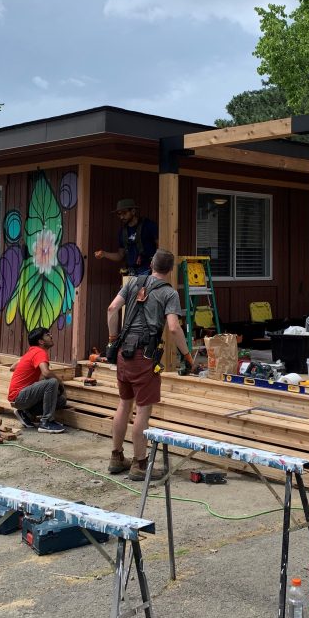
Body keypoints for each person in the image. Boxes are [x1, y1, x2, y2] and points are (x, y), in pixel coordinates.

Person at [106, 248, 194, 480]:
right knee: (142, 412)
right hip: (145, 357)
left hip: (124, 354)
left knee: (124, 404)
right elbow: (174, 328)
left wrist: (113, 339)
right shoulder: (169, 293)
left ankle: (116, 457)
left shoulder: (134, 282)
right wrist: (187, 356)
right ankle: (140, 465)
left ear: (152, 264)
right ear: (171, 269)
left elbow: (112, 308)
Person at [8, 327, 67, 434]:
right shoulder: (40, 352)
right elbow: (46, 372)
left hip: (19, 398)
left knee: (61, 401)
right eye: (48, 335)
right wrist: (60, 382)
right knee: (52, 382)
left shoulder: (31, 353)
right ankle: (46, 422)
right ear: (41, 341)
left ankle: (26, 413)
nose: (51, 336)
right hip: (20, 396)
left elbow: (12, 367)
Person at [94, 198, 158, 278]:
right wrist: (104, 254)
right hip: (131, 273)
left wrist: (155, 264)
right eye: (119, 214)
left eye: (124, 213)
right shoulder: (122, 232)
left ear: (133, 211)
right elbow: (120, 255)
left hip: (149, 272)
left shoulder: (148, 226)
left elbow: (161, 246)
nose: (121, 217)